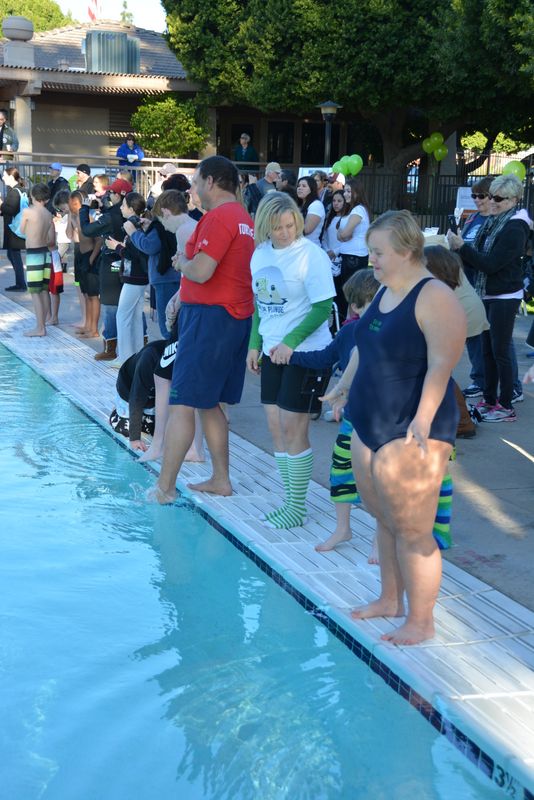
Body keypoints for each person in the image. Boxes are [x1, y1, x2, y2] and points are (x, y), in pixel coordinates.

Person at [323, 210, 466, 645]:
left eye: (378, 252)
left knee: (414, 529)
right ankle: (390, 600)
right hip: (369, 419)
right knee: (383, 518)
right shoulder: (386, 288)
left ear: (406, 250)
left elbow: (442, 366)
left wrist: (422, 422)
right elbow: (364, 350)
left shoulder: (434, 297)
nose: (371, 261)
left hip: (411, 426)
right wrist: (342, 388)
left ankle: (421, 622)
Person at [291, 269, 455, 555]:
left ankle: (399, 540)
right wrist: (342, 389)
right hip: (361, 413)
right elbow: (354, 357)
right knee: (343, 470)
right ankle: (347, 529)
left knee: (406, 482)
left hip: (402, 419)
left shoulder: (417, 322)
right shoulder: (359, 329)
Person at [152, 155, 255, 503]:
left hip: (210, 319)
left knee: (182, 402)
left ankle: (164, 489)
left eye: (196, 182)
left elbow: (202, 271)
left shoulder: (219, 217)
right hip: (233, 318)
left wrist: (183, 262)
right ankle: (220, 479)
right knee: (210, 404)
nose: (193, 189)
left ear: (211, 181)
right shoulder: (243, 217)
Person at [247, 192, 335, 528]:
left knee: (292, 427)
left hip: (306, 353)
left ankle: (297, 508)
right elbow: (260, 304)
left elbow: (323, 308)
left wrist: (290, 343)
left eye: (290, 225)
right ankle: (289, 500)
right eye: (277, 227)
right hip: (271, 351)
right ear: (265, 226)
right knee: (275, 427)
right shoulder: (260, 254)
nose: (285, 232)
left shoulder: (311, 256)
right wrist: (254, 344)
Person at [447, 174, 529, 422]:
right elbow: (480, 258)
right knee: (487, 350)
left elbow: (491, 264)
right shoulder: (493, 221)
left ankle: (506, 404)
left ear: (514, 199)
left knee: (500, 350)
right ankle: (490, 398)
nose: (492, 201)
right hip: (487, 292)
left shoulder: (515, 226)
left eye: (498, 198)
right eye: (491, 196)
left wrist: (462, 247)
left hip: (505, 294)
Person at [79, 178, 133, 360]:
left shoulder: (111, 216)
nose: (108, 195)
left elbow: (87, 230)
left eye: (111, 193)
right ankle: (141, 343)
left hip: (110, 263)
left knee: (110, 304)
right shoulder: (130, 213)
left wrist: (84, 209)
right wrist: (103, 208)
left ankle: (110, 348)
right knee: (132, 306)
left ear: (120, 195)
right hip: (127, 263)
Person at [127, 190, 188, 339]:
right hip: (173, 277)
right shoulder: (181, 224)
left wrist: (134, 233)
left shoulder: (161, 225)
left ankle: (170, 358)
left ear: (165, 212)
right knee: (173, 322)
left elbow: (151, 246)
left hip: (165, 278)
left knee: (168, 325)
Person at [105, 192, 149, 364]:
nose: (121, 208)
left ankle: (124, 357)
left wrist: (116, 247)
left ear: (131, 209)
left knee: (122, 316)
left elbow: (133, 253)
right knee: (136, 316)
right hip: (139, 276)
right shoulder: (140, 223)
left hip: (134, 277)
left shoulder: (131, 225)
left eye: (123, 205)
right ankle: (136, 354)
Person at [19, 183, 56, 337]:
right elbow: (50, 239)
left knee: (35, 292)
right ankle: (45, 320)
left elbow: (21, 230)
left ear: (32, 196)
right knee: (43, 290)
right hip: (45, 253)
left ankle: (40, 328)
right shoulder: (49, 215)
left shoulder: (28, 211)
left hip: (33, 254)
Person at [66, 190, 101, 337]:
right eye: (71, 204)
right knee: (86, 294)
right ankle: (87, 325)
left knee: (93, 295)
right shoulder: (75, 217)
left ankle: (94, 329)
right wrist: (69, 218)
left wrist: (92, 258)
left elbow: (99, 240)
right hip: (81, 255)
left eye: (75, 204)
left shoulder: (89, 218)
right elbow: (69, 235)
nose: (73, 207)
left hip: (90, 256)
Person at [335, 178, 370, 321]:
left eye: (349, 191)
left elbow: (344, 234)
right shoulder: (354, 209)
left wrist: (341, 234)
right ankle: (349, 322)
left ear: (357, 192)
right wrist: (342, 235)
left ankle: (349, 323)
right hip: (350, 257)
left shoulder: (358, 209)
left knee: (350, 293)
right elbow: (343, 235)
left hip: (353, 258)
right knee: (349, 293)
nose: (346, 194)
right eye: (345, 191)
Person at [0, 166, 27, 291]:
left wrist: (1, 203)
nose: (3, 178)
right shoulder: (18, 190)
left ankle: (21, 284)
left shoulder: (15, 192)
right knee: (12, 255)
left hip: (14, 229)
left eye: (4, 175)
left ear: (11, 177)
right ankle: (20, 283)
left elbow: (10, 209)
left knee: (14, 255)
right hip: (15, 228)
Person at [296, 175, 325, 246]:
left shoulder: (316, 205)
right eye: (298, 186)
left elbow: (307, 229)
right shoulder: (299, 205)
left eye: (304, 186)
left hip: (310, 248)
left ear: (311, 189)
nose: (300, 188)